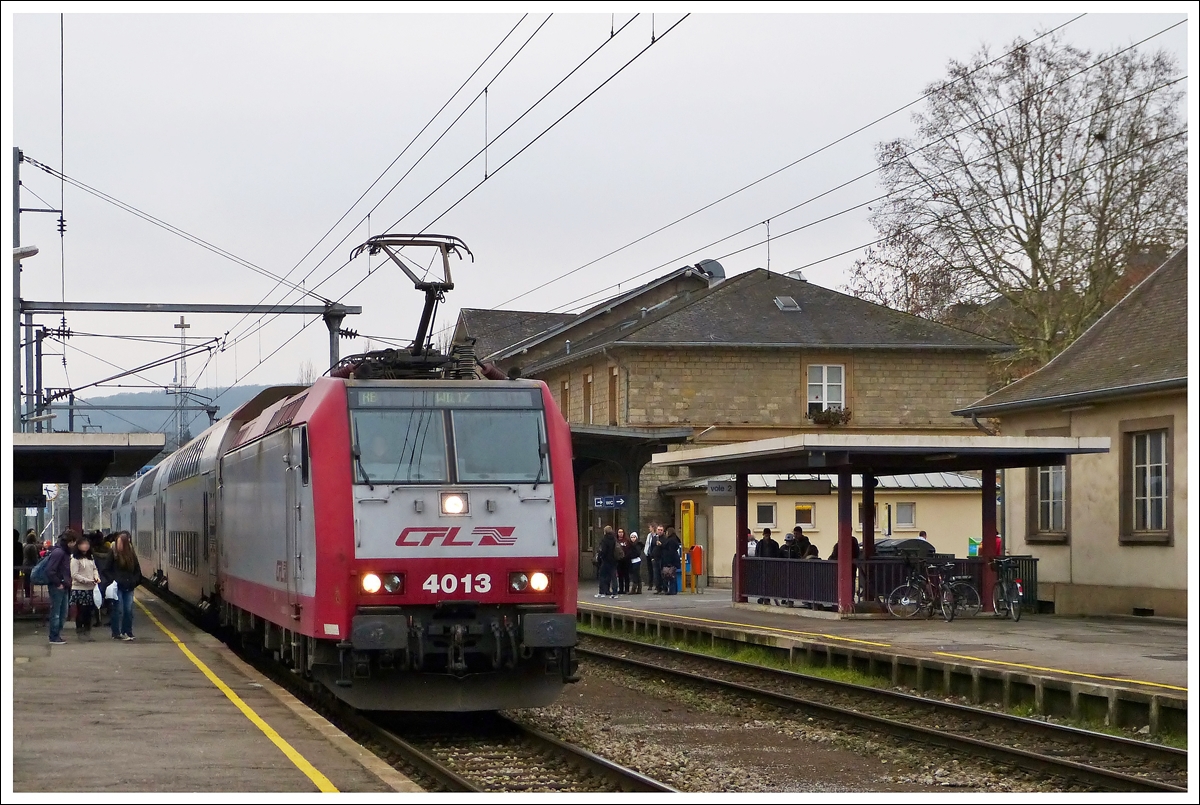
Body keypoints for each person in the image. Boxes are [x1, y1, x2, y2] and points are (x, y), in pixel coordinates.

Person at [44, 530, 78, 645]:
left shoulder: (63, 552)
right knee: (57, 612)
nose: (74, 545)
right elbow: (50, 570)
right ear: (69, 542)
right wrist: (58, 583)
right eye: (74, 542)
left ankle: (56, 635)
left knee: (62, 612)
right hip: (58, 586)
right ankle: (54, 636)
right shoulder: (59, 552)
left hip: (63, 585)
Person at [110, 531, 141, 640]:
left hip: (129, 586)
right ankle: (116, 632)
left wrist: (134, 581)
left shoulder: (131, 555)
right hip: (117, 586)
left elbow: (137, 570)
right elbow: (107, 569)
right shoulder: (113, 554)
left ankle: (127, 631)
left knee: (128, 610)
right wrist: (114, 580)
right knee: (119, 609)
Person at [70, 535, 102, 639]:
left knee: (89, 611)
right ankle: (80, 631)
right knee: (81, 611)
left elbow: (94, 569)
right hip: (79, 589)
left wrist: (96, 577)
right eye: (83, 544)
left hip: (91, 589)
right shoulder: (75, 559)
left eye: (87, 544)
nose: (85, 546)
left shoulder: (90, 558)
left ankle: (87, 632)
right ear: (78, 546)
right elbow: (74, 574)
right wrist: (87, 580)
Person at [93, 537, 115, 627]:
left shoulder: (95, 557)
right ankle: (112, 619)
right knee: (110, 601)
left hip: (98, 580)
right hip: (109, 580)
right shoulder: (111, 556)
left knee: (96, 601)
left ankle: (98, 620)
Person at [594, 526, 618, 599]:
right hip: (613, 560)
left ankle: (602, 592)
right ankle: (614, 593)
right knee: (613, 577)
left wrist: (600, 556)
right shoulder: (614, 539)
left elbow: (603, 550)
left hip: (606, 560)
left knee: (602, 575)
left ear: (605, 531)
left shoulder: (604, 540)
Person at [660, 527, 682, 595]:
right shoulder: (674, 539)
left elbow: (670, 551)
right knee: (672, 575)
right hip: (674, 559)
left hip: (671, 560)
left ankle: (672, 590)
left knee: (671, 575)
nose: (666, 533)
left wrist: (668, 561)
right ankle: (673, 590)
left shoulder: (671, 540)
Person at [22, 533, 40, 598]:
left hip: (25, 564)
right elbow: (34, 557)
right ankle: (30, 594)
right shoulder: (32, 547)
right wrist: (37, 563)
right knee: (30, 579)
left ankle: (27, 593)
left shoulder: (25, 546)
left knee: (26, 580)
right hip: (30, 565)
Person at [615, 528, 632, 595]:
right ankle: (621, 589)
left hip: (626, 560)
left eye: (622, 532)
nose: (620, 533)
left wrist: (626, 556)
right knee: (620, 575)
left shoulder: (627, 541)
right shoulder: (616, 541)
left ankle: (627, 589)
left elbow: (630, 550)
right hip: (619, 560)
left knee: (626, 575)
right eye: (619, 532)